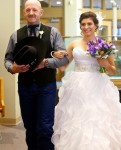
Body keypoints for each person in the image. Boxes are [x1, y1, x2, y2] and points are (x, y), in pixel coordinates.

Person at [51, 11, 121, 150]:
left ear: (96, 26)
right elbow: (63, 67)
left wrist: (103, 62)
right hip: (76, 86)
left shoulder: (104, 45)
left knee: (98, 118)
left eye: (89, 24)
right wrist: (54, 55)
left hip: (97, 85)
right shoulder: (73, 44)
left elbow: (112, 70)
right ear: (80, 26)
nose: (86, 27)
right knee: (77, 118)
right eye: (83, 24)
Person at [4, 0, 69, 150]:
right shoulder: (15, 35)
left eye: (34, 10)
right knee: (30, 127)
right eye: (28, 10)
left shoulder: (53, 33)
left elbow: (64, 58)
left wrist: (45, 63)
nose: (31, 13)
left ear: (41, 12)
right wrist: (12, 68)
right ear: (24, 13)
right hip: (25, 87)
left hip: (46, 86)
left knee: (45, 128)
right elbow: (7, 59)